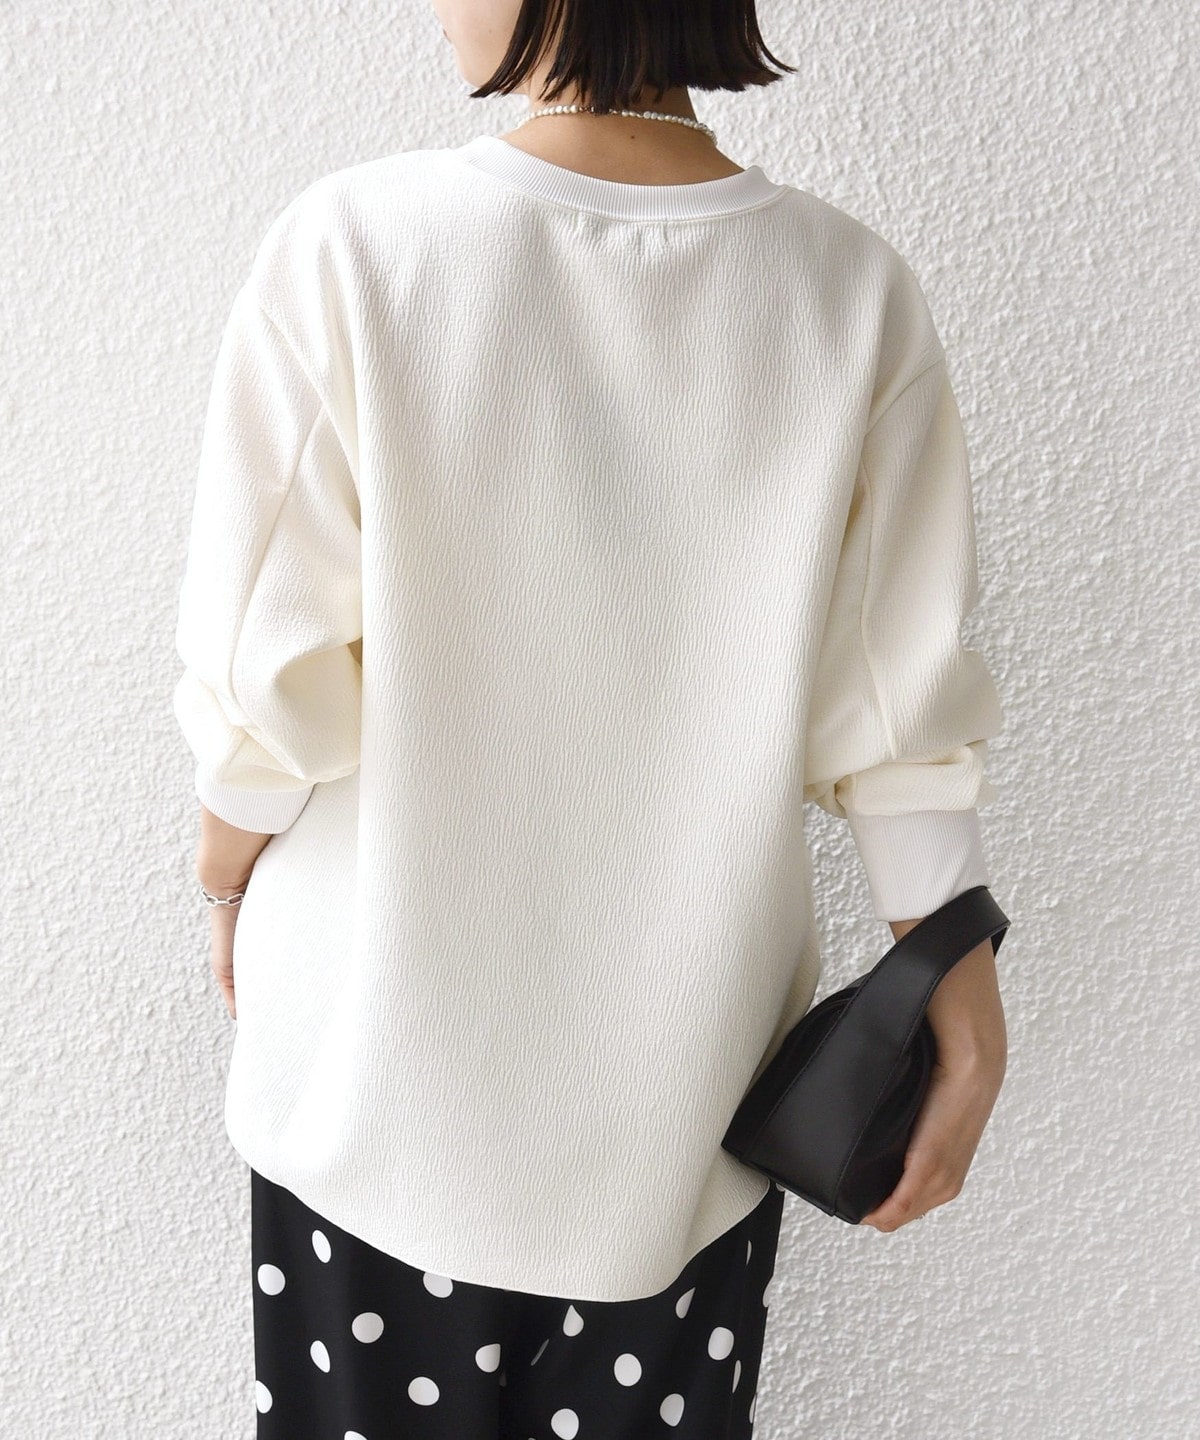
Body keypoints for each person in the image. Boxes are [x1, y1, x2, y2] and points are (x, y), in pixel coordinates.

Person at [171, 1, 1010, 1434]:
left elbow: (269, 678)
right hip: (677, 1124)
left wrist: (223, 872)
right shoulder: (849, 292)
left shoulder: (358, 248)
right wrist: (958, 972)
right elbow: (895, 704)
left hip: (373, 1089)